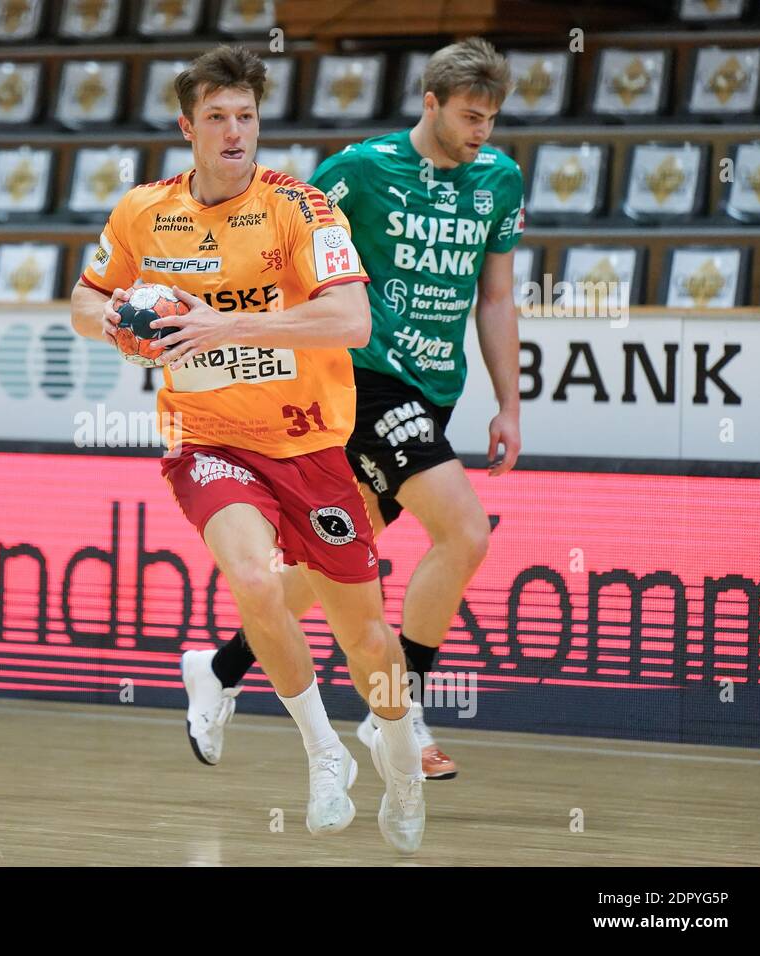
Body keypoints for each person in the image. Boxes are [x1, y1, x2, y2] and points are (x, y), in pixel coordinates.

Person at [71, 45, 425, 853]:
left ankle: (398, 754)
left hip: (310, 446)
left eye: (247, 116)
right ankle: (322, 752)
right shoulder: (141, 213)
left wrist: (224, 323)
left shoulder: (300, 209)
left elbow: (352, 323)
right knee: (255, 577)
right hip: (207, 440)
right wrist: (124, 325)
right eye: (219, 118)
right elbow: (81, 305)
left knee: (370, 642)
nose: (235, 132)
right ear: (187, 125)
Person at [183, 37, 525, 781]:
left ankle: (219, 665)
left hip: (437, 390)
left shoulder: (499, 179)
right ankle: (394, 709)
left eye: (491, 120)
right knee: (463, 533)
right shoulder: (360, 170)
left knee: (346, 551)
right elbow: (290, 265)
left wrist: (508, 401)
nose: (481, 133)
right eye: (469, 116)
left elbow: (495, 297)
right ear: (429, 103)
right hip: (361, 379)